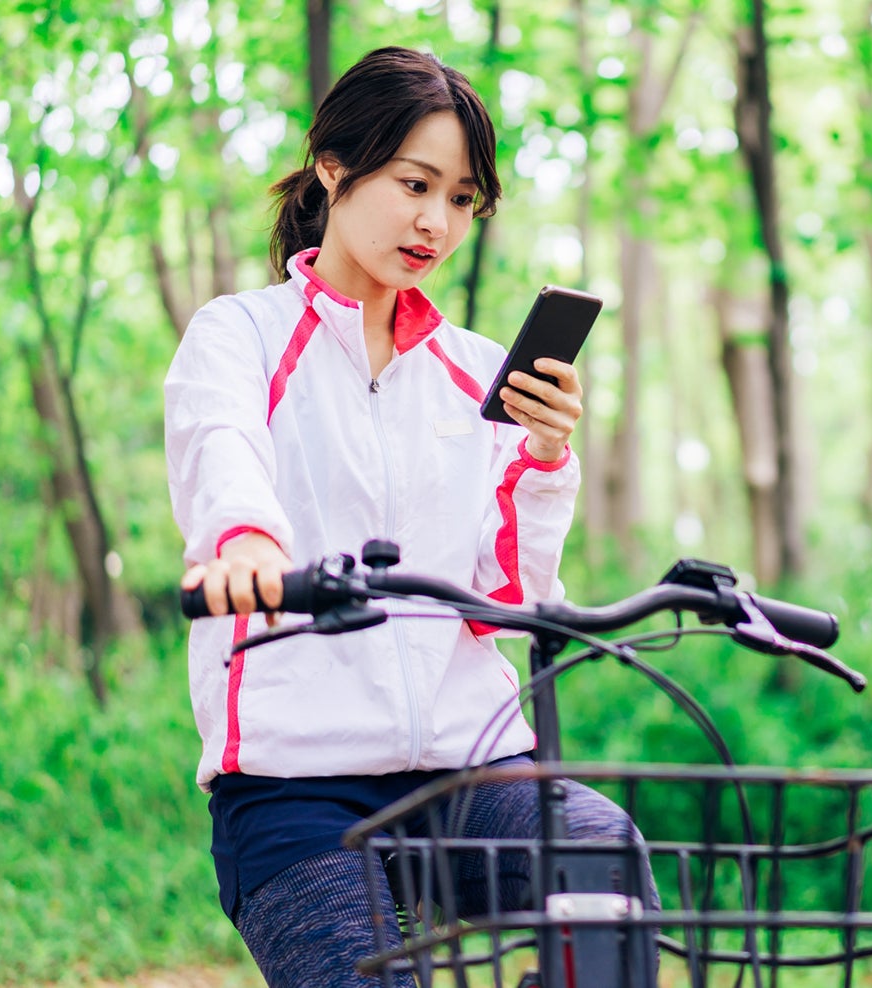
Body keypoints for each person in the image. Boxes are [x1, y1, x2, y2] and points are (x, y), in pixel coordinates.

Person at [164, 46, 649, 987]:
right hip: (295, 778)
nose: (436, 221)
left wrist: (545, 461)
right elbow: (221, 449)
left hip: (471, 765)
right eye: (414, 183)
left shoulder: (476, 372)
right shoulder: (243, 334)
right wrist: (249, 547)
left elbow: (505, 597)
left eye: (462, 198)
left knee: (608, 871)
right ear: (335, 170)